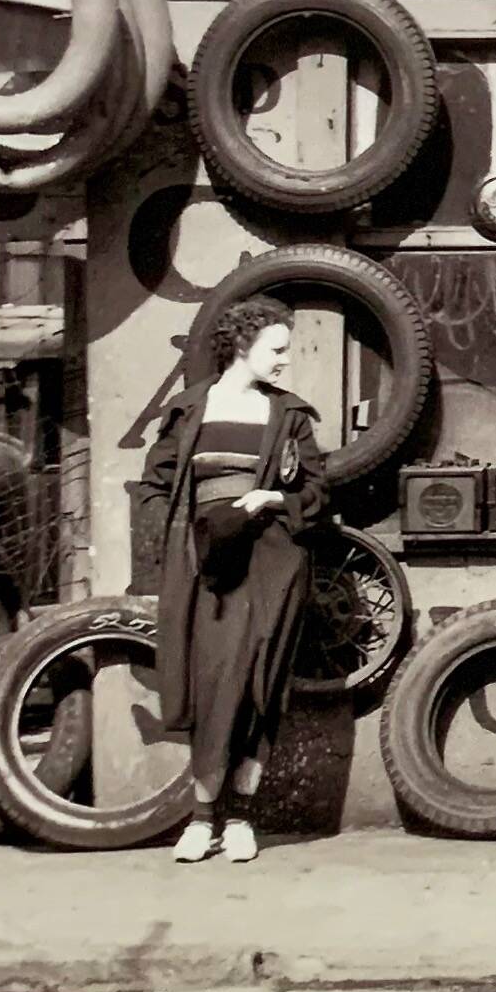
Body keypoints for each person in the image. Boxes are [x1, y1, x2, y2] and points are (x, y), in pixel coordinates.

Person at [132, 295, 332, 864]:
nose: (284, 362)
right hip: (207, 566)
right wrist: (179, 541)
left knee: (258, 684)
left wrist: (274, 497)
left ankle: (240, 818)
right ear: (242, 346)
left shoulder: (289, 416)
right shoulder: (190, 409)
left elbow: (317, 491)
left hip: (271, 563)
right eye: (277, 349)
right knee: (212, 682)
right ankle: (202, 820)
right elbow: (155, 484)